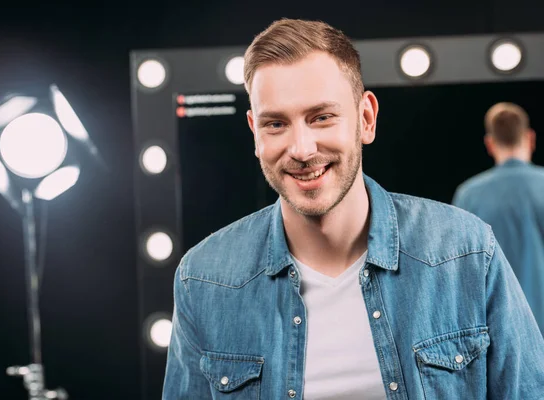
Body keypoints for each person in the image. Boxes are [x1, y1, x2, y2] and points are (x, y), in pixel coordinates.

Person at [163, 19, 544, 399]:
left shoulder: (466, 252)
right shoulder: (204, 282)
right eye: (276, 123)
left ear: (366, 119)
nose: (302, 149)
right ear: (255, 134)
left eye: (321, 117)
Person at [453, 102, 544, 335]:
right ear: (530, 138)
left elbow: (460, 275)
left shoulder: (468, 196)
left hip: (499, 332)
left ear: (490, 144)